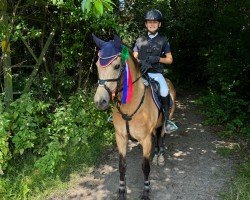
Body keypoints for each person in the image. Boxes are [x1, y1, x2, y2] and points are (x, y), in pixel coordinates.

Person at [133, 9, 177, 133]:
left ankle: (166, 121)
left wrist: (157, 58)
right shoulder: (139, 40)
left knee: (164, 91)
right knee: (126, 86)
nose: (152, 24)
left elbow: (170, 60)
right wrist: (140, 62)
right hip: (140, 73)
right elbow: (134, 56)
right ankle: (120, 115)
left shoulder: (163, 40)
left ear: (159, 24)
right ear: (146, 24)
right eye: (149, 22)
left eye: (155, 22)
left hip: (156, 74)